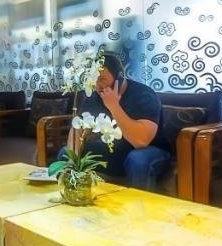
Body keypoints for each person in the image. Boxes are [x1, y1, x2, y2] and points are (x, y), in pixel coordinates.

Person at [65, 51, 170, 190]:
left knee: (137, 160)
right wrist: (73, 161)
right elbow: (78, 129)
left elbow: (141, 141)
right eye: (93, 79)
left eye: (102, 79)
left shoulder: (144, 95)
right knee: (65, 153)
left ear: (119, 77)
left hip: (149, 150)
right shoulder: (94, 96)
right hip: (113, 149)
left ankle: (139, 203)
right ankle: (77, 196)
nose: (97, 85)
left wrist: (113, 106)